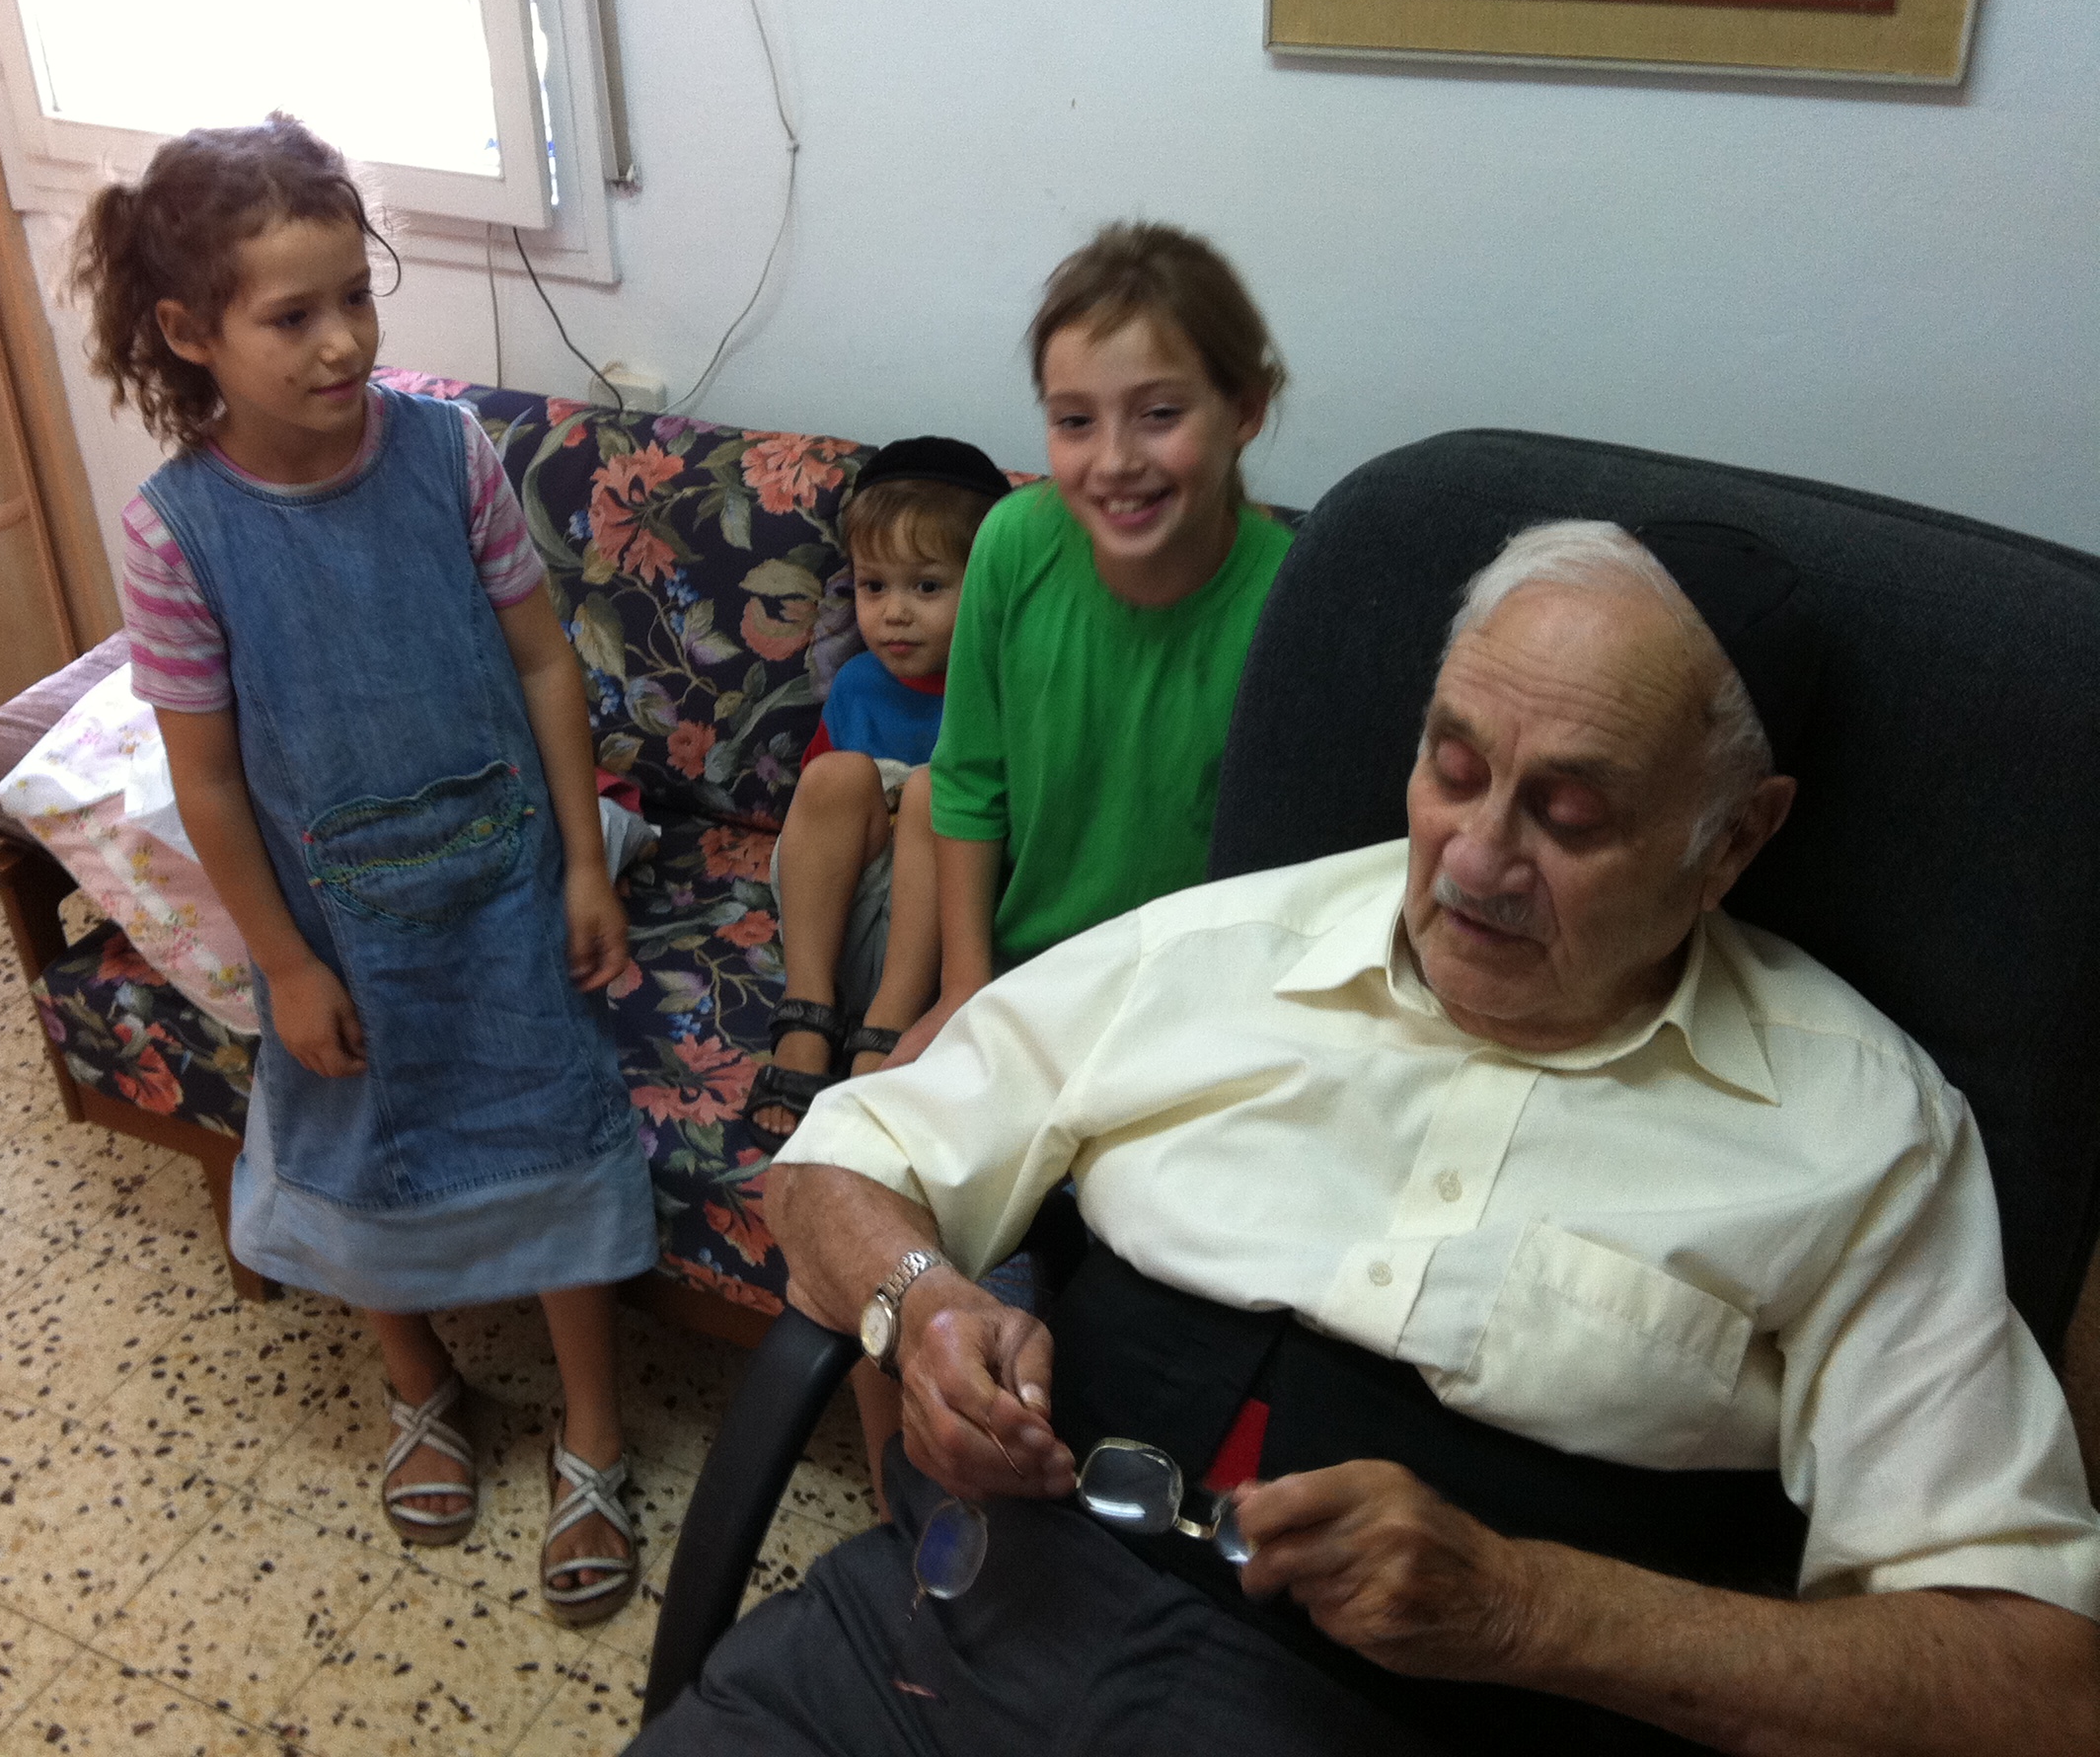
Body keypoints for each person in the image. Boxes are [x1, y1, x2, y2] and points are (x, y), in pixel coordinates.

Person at [639, 519, 2100, 1751]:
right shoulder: (1222, 945)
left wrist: (1528, 1607)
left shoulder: (1861, 1128)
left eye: (1570, 815)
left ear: (1733, 839)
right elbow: (837, 1161)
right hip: (945, 1634)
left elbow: (2033, 1676)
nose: (1475, 858)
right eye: (1454, 768)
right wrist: (921, 1303)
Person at [71, 115, 652, 1624]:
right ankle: (420, 1382)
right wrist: (284, 962)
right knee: (363, 1155)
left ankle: (595, 1430)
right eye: (293, 316)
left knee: (549, 1136)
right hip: (335, 921)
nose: (342, 341)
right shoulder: (175, 535)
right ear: (189, 332)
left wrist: (584, 864)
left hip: (508, 887)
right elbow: (205, 776)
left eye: (356, 297)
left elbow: (544, 663)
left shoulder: (448, 456)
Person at [883, 221, 1296, 1073]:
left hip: (1183, 1010)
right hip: (1015, 974)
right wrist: (965, 987)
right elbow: (969, 780)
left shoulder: (1292, 601)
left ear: (1245, 411)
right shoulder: (1010, 544)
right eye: (1075, 421)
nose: (1114, 461)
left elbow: (1288, 875)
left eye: (1159, 415)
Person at [747, 435, 1011, 1139]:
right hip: (836, 927)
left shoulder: (1000, 695)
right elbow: (817, 828)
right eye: (874, 586)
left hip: (948, 948)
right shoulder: (858, 682)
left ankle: (886, 1032)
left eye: (927, 587)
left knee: (934, 792)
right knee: (835, 774)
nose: (894, 612)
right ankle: (806, 1014)